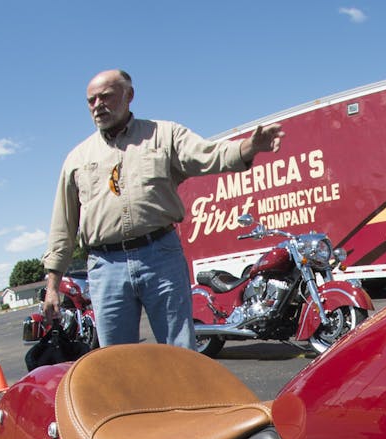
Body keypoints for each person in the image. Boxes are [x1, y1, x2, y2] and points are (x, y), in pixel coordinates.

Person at [42, 69, 284, 348]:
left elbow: (207, 155)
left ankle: (188, 395)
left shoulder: (164, 135)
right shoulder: (77, 159)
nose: (98, 105)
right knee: (116, 360)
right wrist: (52, 286)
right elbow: (63, 225)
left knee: (179, 350)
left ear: (129, 95)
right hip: (105, 265)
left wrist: (247, 148)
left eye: (106, 96)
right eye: (91, 100)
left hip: (159, 255)